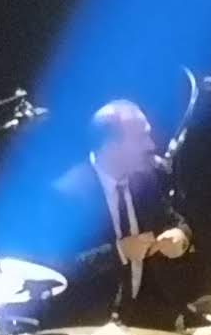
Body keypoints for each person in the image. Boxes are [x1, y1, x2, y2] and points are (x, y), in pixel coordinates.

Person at [53, 97, 191, 323]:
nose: (151, 145)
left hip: (146, 316)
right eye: (141, 138)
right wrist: (119, 252)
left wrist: (180, 236)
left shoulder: (145, 180)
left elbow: (174, 221)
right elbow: (59, 268)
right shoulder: (68, 194)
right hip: (90, 324)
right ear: (110, 146)